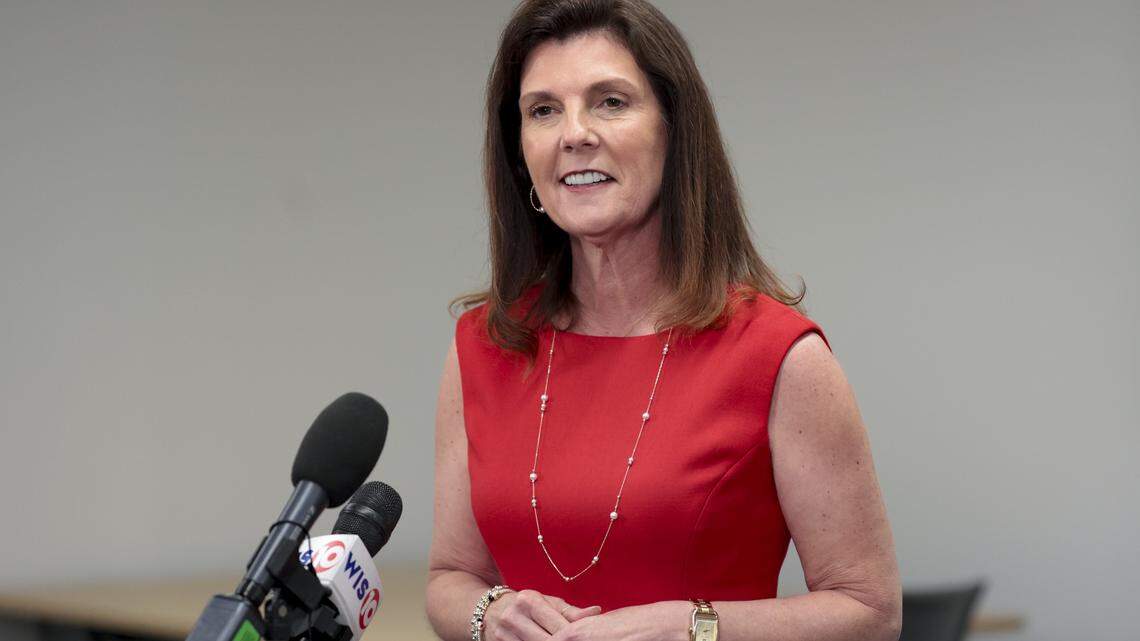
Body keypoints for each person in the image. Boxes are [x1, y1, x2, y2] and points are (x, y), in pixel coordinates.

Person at [426, 1, 901, 641]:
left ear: (674, 133)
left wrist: (695, 627)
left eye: (610, 102)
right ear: (522, 156)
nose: (574, 133)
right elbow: (451, 578)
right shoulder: (483, 346)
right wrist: (490, 615)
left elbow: (870, 612)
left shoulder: (779, 356)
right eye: (543, 110)